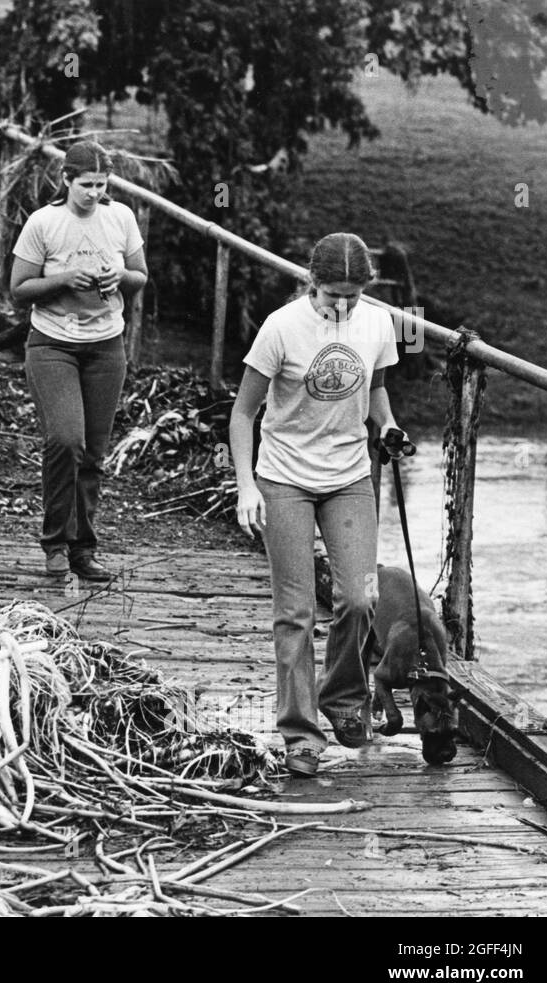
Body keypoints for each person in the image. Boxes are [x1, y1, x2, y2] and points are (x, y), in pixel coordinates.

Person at [228, 232, 412, 778]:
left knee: (358, 598)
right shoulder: (281, 327)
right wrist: (246, 486)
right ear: (312, 283)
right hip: (284, 476)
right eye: (333, 294)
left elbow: (375, 391)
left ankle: (343, 698)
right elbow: (243, 415)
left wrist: (390, 424)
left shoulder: (377, 322)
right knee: (297, 610)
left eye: (353, 296)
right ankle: (300, 734)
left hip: (351, 473)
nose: (343, 306)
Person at [9, 140, 148, 581]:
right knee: (65, 439)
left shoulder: (120, 217)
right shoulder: (44, 222)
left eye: (101, 184)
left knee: (93, 452)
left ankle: (82, 549)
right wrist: (65, 278)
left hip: (106, 345)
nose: (93, 193)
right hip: (52, 343)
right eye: (85, 184)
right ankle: (53, 542)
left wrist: (120, 277)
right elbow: (18, 288)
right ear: (66, 179)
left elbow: (140, 276)